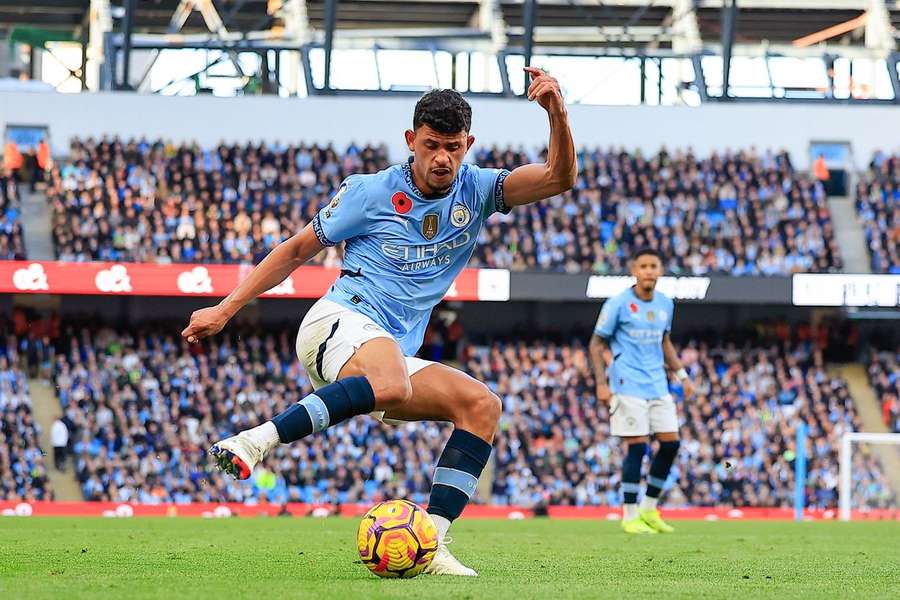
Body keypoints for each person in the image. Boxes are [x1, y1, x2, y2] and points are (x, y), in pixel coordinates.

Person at [181, 68, 577, 576]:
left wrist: (556, 112)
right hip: (336, 321)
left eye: (453, 147)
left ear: (468, 144)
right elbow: (297, 248)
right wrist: (225, 308)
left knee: (481, 405)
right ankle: (253, 441)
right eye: (432, 144)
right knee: (390, 382)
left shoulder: (478, 190)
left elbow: (559, 178)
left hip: (387, 353)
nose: (442, 158)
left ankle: (432, 542)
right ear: (411, 140)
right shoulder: (370, 192)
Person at [588, 248, 695, 534]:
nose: (648, 270)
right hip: (626, 384)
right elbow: (596, 345)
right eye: (643, 266)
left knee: (671, 444)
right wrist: (601, 383)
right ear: (634, 269)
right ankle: (630, 514)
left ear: (660, 270)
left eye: (653, 266)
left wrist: (682, 374)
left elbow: (665, 341)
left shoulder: (665, 304)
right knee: (637, 446)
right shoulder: (618, 303)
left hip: (658, 384)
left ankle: (649, 508)